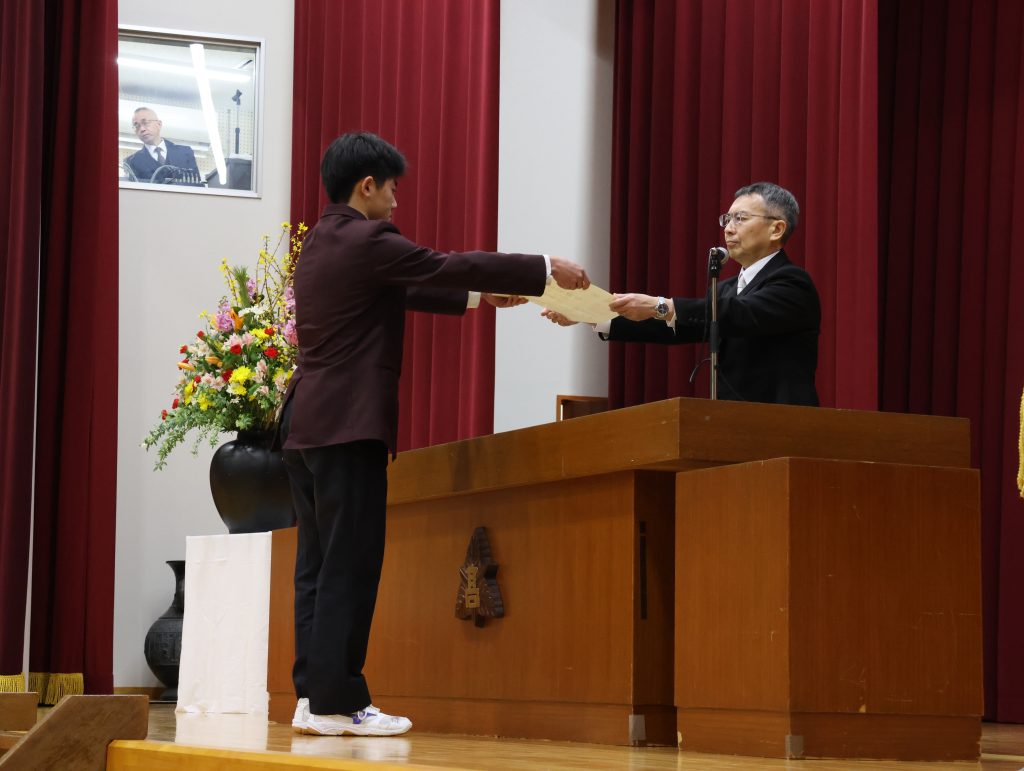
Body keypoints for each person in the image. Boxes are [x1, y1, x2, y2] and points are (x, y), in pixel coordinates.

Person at [280, 131, 589, 737]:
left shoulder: (320, 241)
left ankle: (313, 697)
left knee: (315, 567)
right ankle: (340, 702)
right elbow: (442, 264)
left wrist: (476, 297)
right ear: (367, 185)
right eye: (392, 189)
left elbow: (407, 284)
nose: (396, 201)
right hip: (347, 425)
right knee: (351, 564)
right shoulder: (369, 238)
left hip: (305, 424)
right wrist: (543, 267)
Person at [544, 182, 820, 406]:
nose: (728, 228)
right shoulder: (725, 288)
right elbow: (679, 327)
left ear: (776, 229)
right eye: (727, 219)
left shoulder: (793, 283)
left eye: (741, 218)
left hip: (781, 422)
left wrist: (660, 305)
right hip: (732, 422)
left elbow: (739, 314)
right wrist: (592, 313)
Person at [125, 106, 201, 183]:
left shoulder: (185, 152)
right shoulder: (131, 162)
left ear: (159, 124)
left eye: (145, 123)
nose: (142, 129)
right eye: (136, 126)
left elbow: (197, 184)